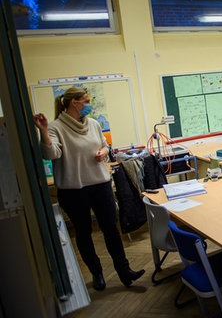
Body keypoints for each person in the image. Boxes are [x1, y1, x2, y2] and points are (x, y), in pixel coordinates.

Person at [33, 87, 145, 291]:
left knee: (111, 229)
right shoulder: (55, 127)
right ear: (74, 103)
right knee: (83, 233)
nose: (89, 104)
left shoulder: (93, 124)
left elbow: (105, 145)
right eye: (86, 100)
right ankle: (97, 274)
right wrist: (43, 131)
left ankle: (125, 271)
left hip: (100, 185)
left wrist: (104, 151)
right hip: (74, 190)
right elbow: (50, 154)